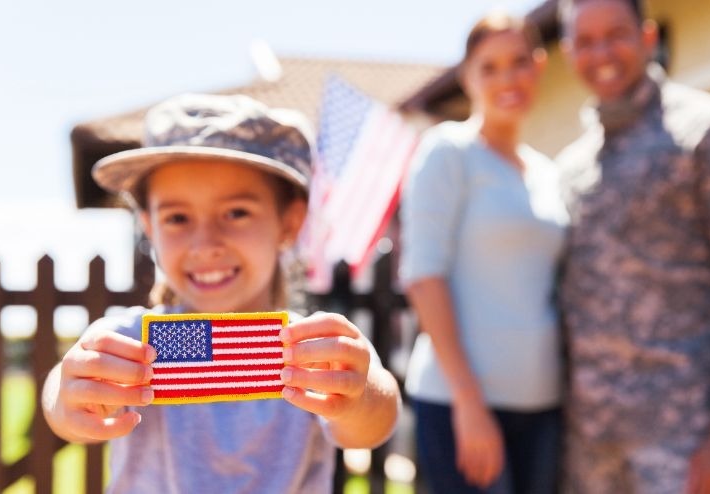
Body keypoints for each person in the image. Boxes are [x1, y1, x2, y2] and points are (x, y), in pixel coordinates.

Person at [41, 93, 401, 493]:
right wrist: (68, 397)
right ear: (149, 226)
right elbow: (62, 396)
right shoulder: (131, 340)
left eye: (236, 213)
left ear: (290, 222)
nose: (206, 243)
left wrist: (360, 397)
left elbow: (374, 424)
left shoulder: (315, 348)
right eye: (177, 218)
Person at [554, 1, 710, 493]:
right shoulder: (571, 167)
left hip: (684, 442)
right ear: (568, 53)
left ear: (648, 38)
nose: (601, 52)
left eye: (616, 34)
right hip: (588, 449)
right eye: (584, 41)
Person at [399, 12, 568, 494]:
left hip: (542, 404)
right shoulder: (447, 152)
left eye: (518, 62)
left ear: (538, 66)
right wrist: (469, 403)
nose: (506, 78)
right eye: (489, 67)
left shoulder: (546, 174)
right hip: (462, 404)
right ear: (468, 76)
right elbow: (423, 276)